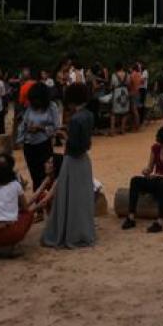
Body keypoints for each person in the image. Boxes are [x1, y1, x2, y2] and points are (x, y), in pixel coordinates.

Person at [41, 82, 97, 248]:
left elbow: (73, 146)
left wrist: (63, 135)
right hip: (84, 161)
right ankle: (82, 231)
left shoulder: (75, 118)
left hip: (72, 161)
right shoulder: (89, 115)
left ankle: (69, 232)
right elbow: (85, 143)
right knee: (81, 199)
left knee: (69, 198)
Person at [124, 126, 163, 233]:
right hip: (157, 180)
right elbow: (150, 168)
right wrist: (146, 171)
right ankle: (131, 216)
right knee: (135, 181)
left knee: (162, 185)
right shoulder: (155, 149)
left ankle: (160, 221)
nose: (161, 145)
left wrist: (159, 176)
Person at [17, 83, 60, 190]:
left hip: (43, 145)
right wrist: (22, 137)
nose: (35, 102)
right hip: (29, 145)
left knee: (47, 176)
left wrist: (41, 128)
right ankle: (38, 201)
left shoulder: (51, 107)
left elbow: (56, 128)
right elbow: (23, 124)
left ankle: (49, 201)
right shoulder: (30, 108)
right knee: (35, 177)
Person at [108, 72, 132, 137]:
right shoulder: (127, 75)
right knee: (125, 112)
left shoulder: (114, 75)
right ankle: (122, 130)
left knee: (113, 113)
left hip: (117, 92)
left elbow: (111, 86)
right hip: (125, 92)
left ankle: (112, 131)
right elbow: (129, 85)